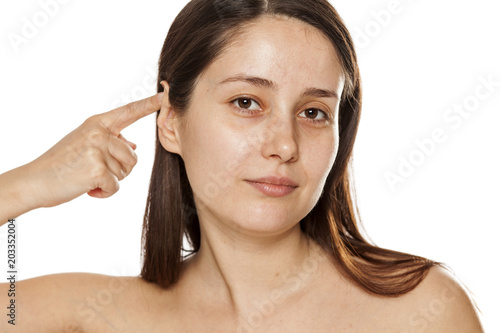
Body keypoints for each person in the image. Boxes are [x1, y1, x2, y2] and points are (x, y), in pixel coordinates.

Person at [0, 0, 484, 331]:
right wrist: (27, 187)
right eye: (247, 102)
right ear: (170, 121)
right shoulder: (94, 315)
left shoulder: (420, 310)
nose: (284, 145)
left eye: (314, 112)